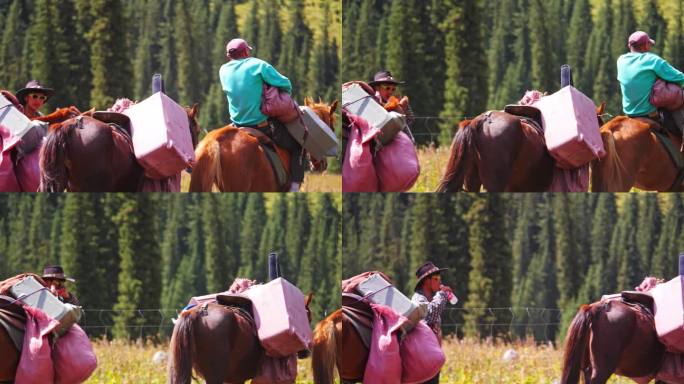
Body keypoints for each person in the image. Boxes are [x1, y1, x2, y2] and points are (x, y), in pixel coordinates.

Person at [219, 38, 305, 192]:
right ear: (246, 52)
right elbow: (286, 84)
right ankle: (294, 187)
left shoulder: (223, 70)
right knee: (298, 145)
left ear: (228, 56)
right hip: (261, 125)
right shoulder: (258, 65)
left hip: (237, 124)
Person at [617, 31, 684, 128]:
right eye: (649, 44)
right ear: (645, 46)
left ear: (629, 45)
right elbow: (680, 78)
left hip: (630, 113)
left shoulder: (621, 60)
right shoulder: (652, 60)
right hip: (649, 113)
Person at [411, 261, 453, 384]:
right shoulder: (418, 299)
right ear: (426, 281)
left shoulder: (431, 298)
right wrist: (442, 294)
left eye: (440, 278)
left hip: (431, 360)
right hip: (420, 361)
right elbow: (430, 315)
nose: (440, 281)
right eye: (436, 278)